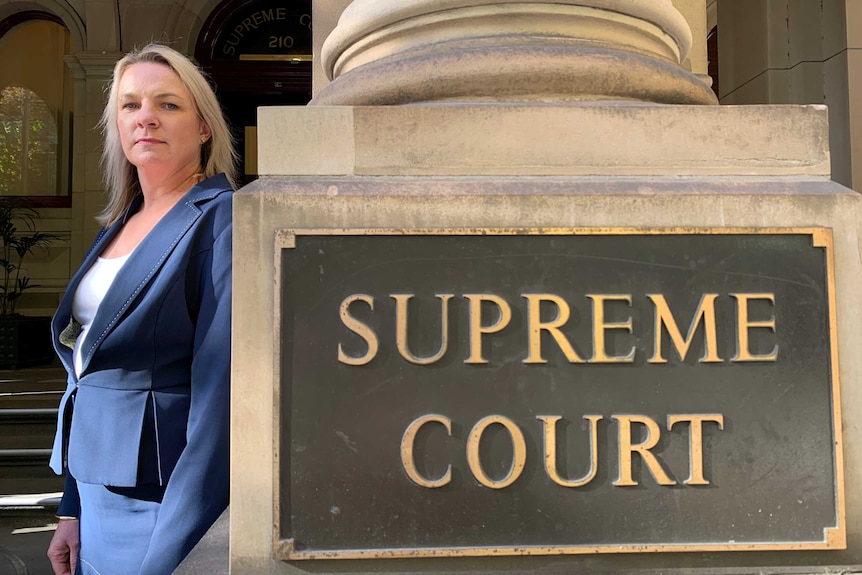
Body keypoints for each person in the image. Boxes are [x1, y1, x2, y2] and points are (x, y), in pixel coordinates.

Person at [46, 43, 237, 575]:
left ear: (203, 128)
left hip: (160, 505)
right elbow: (86, 371)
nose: (146, 117)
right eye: (130, 105)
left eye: (168, 104)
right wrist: (71, 507)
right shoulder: (118, 225)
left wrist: (181, 542)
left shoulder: (221, 220)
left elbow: (220, 398)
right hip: (92, 493)